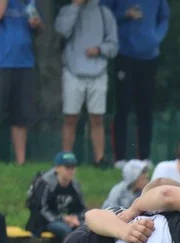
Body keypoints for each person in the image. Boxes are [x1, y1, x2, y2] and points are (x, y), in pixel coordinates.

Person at [102, 0, 170, 166]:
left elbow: (164, 17)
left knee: (145, 109)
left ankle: (145, 158)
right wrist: (125, 15)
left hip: (149, 56)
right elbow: (104, 16)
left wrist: (156, 38)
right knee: (122, 107)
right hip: (125, 55)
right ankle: (120, 158)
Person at [56, 0, 118, 167]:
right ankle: (66, 159)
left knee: (97, 118)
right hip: (72, 71)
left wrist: (99, 50)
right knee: (70, 117)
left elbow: (114, 45)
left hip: (98, 72)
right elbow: (62, 30)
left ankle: (99, 159)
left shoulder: (105, 13)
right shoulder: (67, 10)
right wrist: (75, 6)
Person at [0, 0, 41, 165]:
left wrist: (36, 24)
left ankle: (20, 161)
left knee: (20, 115)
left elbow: (37, 27)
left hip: (25, 62)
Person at [28, 152, 87, 242]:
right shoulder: (46, 183)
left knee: (84, 229)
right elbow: (41, 210)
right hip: (45, 222)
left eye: (73, 168)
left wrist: (75, 218)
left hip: (68, 220)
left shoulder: (75, 185)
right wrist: (63, 219)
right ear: (57, 168)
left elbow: (82, 209)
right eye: (67, 168)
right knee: (65, 230)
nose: (71, 171)